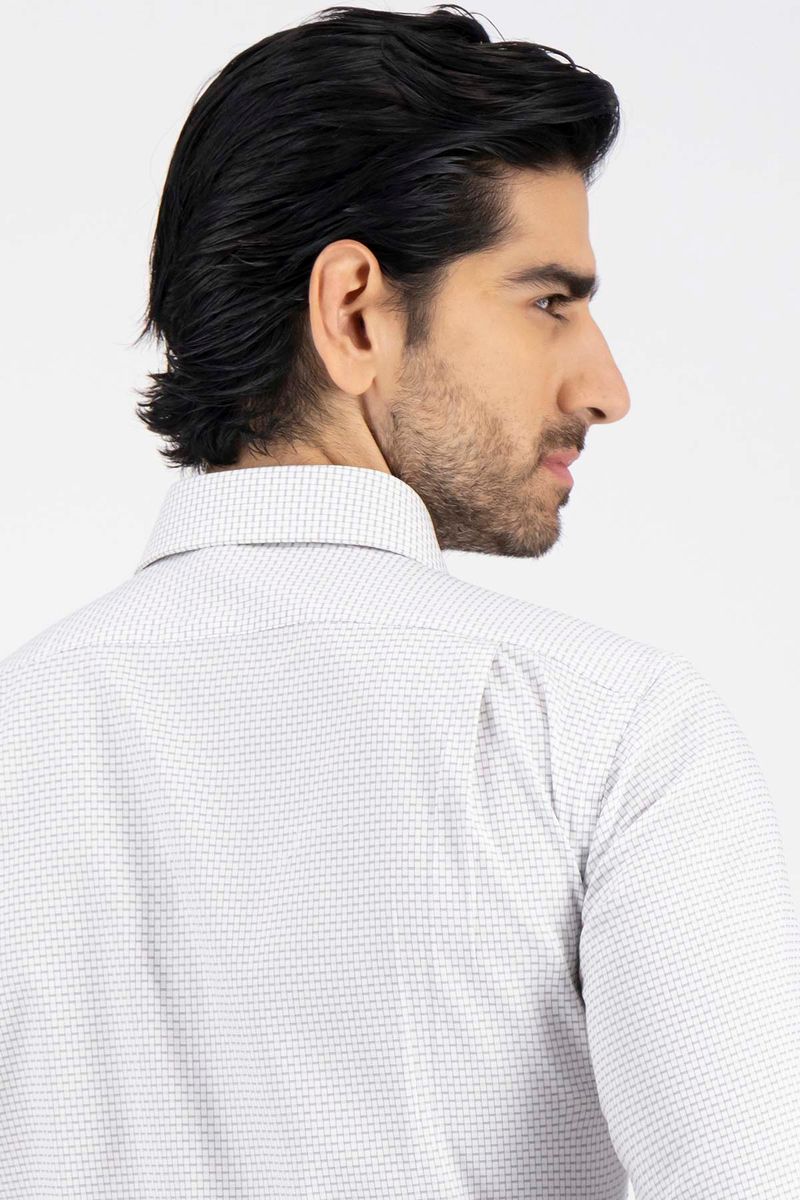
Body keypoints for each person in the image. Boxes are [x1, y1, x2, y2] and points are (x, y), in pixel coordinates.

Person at [2, 6, 798, 1198]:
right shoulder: (608, 733)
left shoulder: (20, 730)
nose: (605, 386)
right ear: (354, 312)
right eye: (547, 301)